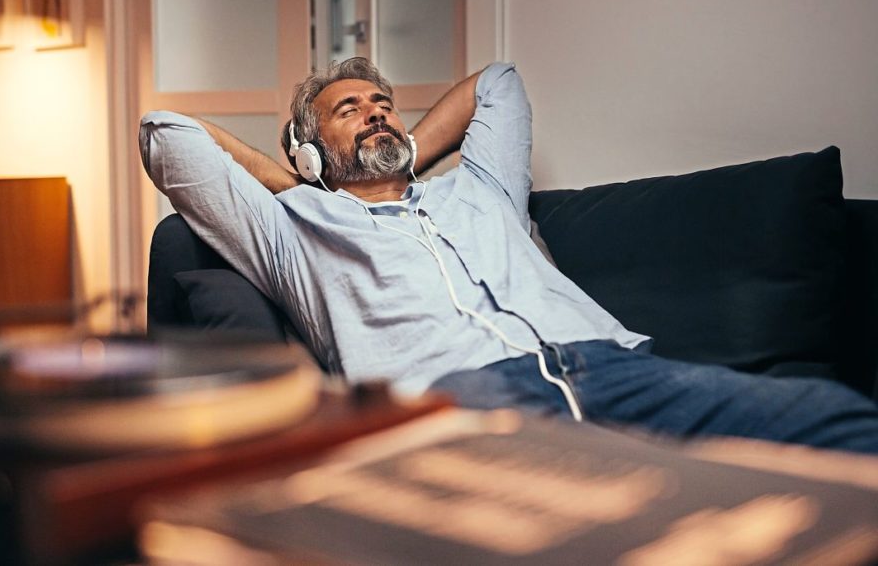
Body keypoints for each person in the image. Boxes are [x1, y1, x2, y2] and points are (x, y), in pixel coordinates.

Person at [140, 58, 878, 454]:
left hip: (619, 367)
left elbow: (498, 82)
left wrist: (395, 154)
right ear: (309, 146)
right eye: (350, 110)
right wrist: (309, 184)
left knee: (837, 419)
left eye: (383, 105)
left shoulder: (482, 190)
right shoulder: (292, 229)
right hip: (454, 401)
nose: (375, 112)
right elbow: (164, 132)